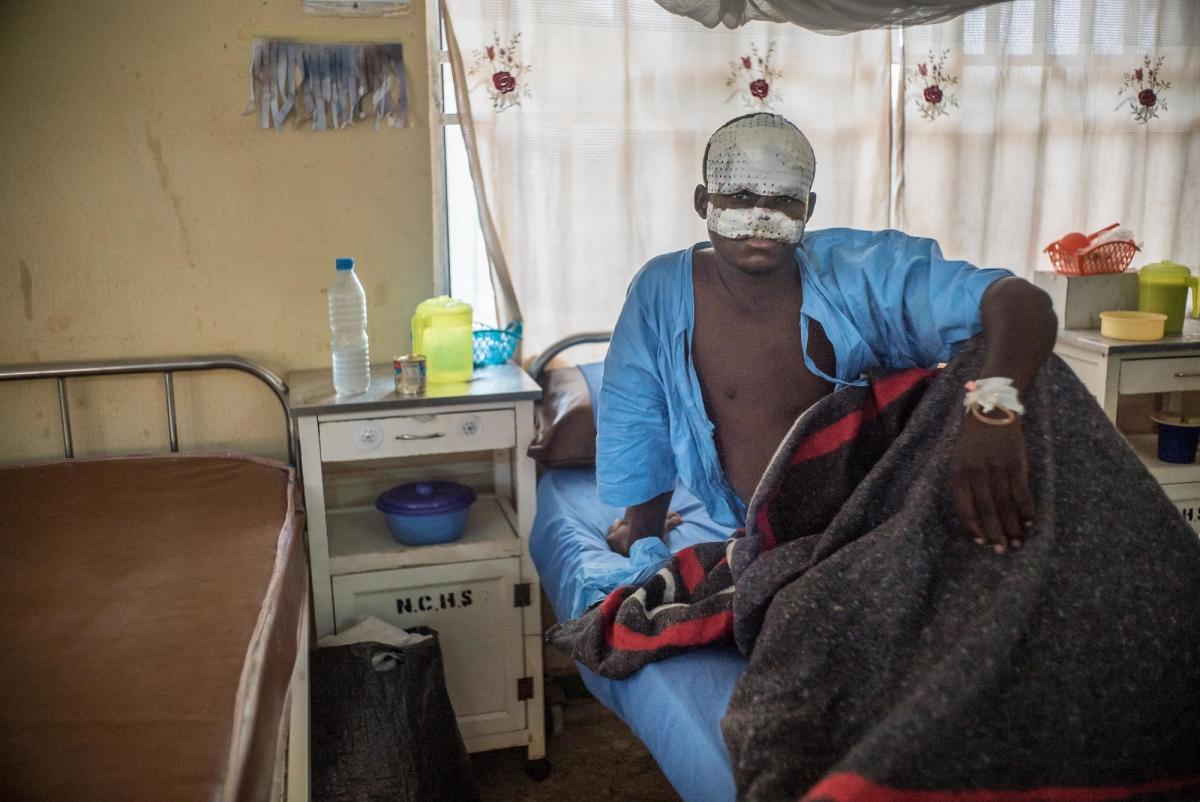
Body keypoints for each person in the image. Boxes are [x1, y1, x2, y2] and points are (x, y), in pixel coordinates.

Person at [597, 112, 1057, 558]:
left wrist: (994, 408)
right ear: (703, 203)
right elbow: (638, 421)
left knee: (1031, 369)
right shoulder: (661, 293)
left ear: (809, 208)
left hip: (880, 510)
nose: (761, 218)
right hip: (773, 533)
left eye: (783, 201)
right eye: (739, 196)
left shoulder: (859, 273)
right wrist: (643, 541)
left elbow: (1019, 302)